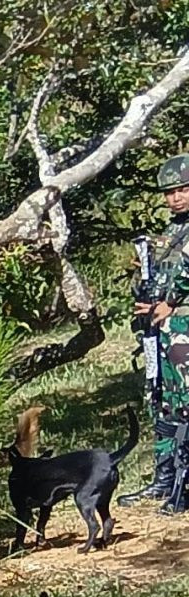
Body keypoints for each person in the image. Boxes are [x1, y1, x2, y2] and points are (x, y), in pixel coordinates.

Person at [129, 154, 189, 513]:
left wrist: (170, 301)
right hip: (162, 332)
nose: (176, 197)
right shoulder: (170, 233)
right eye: (169, 192)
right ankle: (165, 479)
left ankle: (183, 482)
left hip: (183, 328)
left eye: (183, 189)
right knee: (164, 403)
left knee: (186, 403)